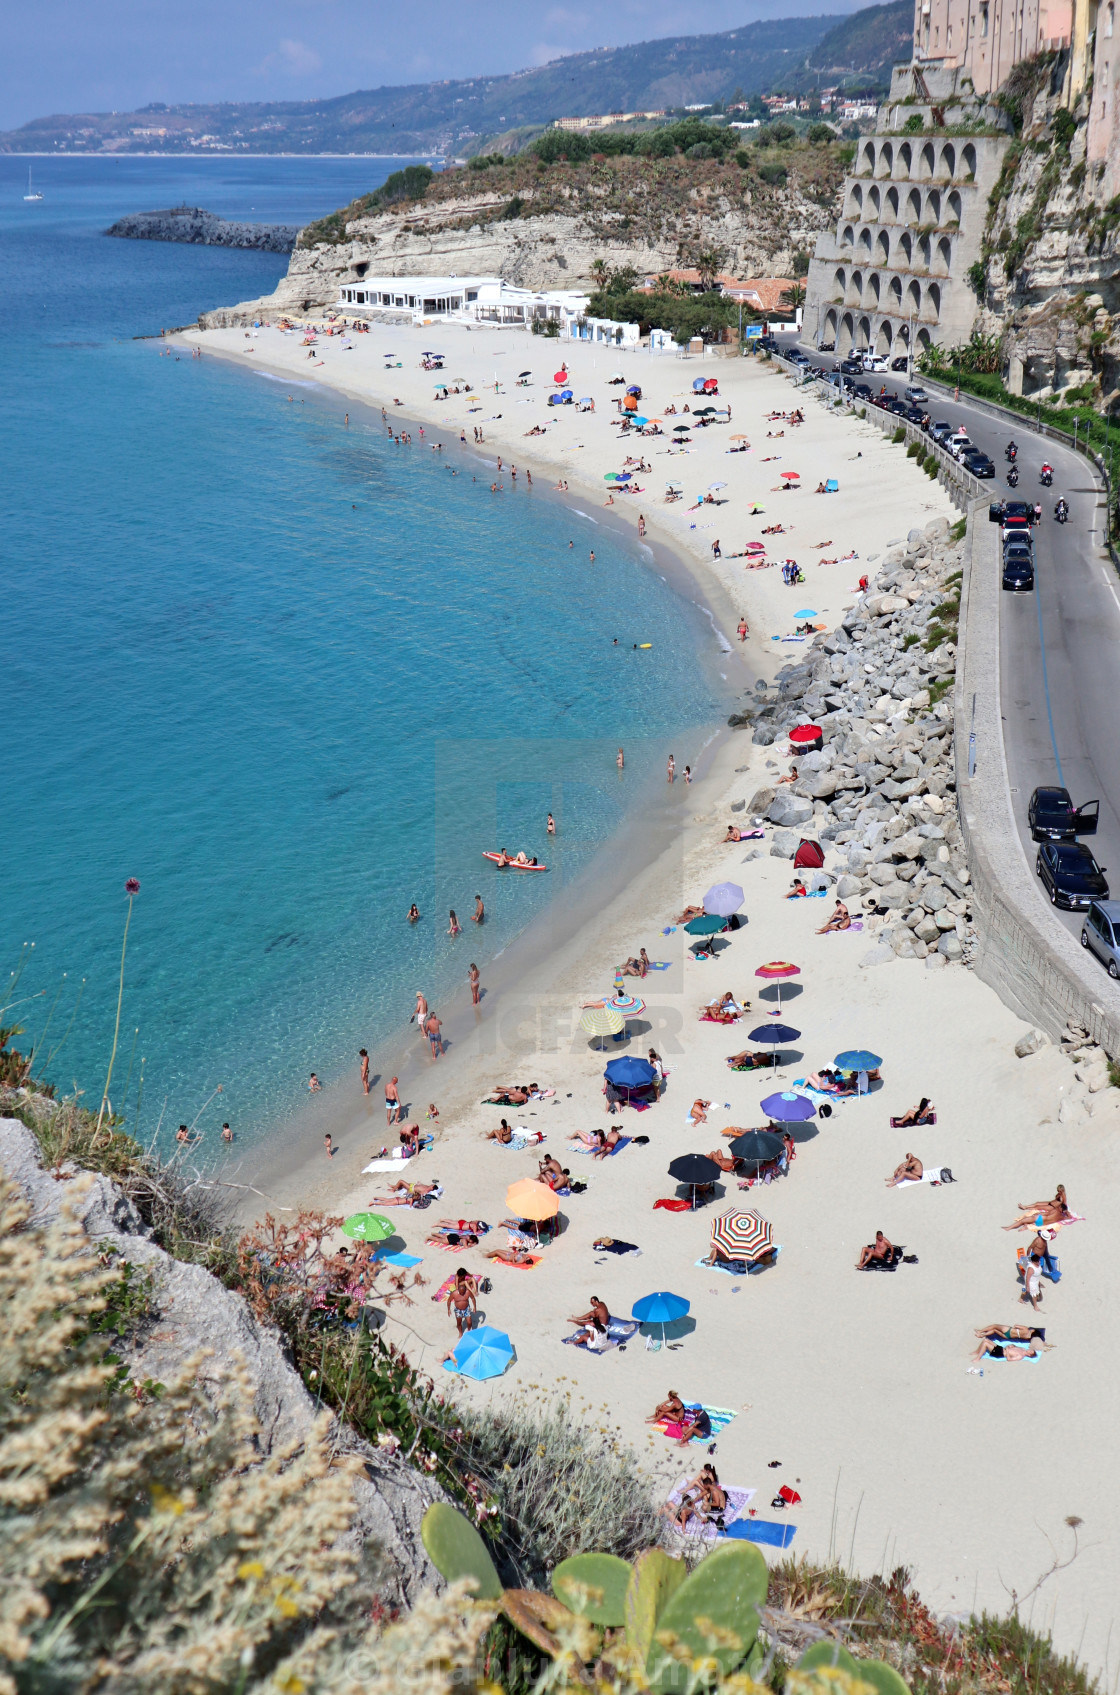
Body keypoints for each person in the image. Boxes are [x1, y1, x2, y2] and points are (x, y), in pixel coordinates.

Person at [1002, 1185, 1072, 1231]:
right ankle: (1026, 1222)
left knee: (1023, 1220)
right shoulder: (1062, 1217)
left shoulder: (1055, 1210)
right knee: (1037, 1204)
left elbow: (1046, 1214)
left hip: (1042, 1216)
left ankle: (1008, 1228)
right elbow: (1070, 1217)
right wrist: (1066, 1212)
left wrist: (1038, 1213)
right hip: (1040, 1224)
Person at [446, 1268, 477, 1337]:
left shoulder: (467, 1292)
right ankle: (460, 1333)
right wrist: (448, 1309)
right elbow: (449, 1301)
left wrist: (474, 1307)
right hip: (458, 1310)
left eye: (463, 1292)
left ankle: (469, 1331)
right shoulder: (454, 1293)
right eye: (461, 1292)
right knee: (459, 1323)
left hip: (466, 1308)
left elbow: (473, 1298)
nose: (462, 1294)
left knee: (469, 1322)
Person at [367, 1179, 441, 1207]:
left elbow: (418, 1195)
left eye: (432, 1185)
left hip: (400, 1198)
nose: (430, 1185)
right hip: (398, 1200)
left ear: (432, 1188)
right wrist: (411, 1205)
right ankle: (374, 1202)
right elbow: (412, 1200)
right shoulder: (411, 1199)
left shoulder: (426, 1191)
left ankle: (375, 1199)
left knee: (386, 1200)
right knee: (385, 1202)